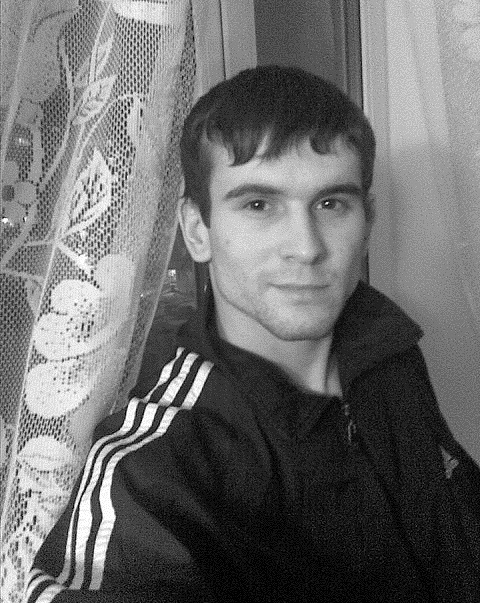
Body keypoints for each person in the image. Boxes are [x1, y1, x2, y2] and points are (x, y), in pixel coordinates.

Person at [27, 66, 480, 603]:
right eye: (258, 205)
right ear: (198, 231)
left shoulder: (386, 352)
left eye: (331, 204)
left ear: (367, 221)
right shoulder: (162, 466)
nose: (306, 247)